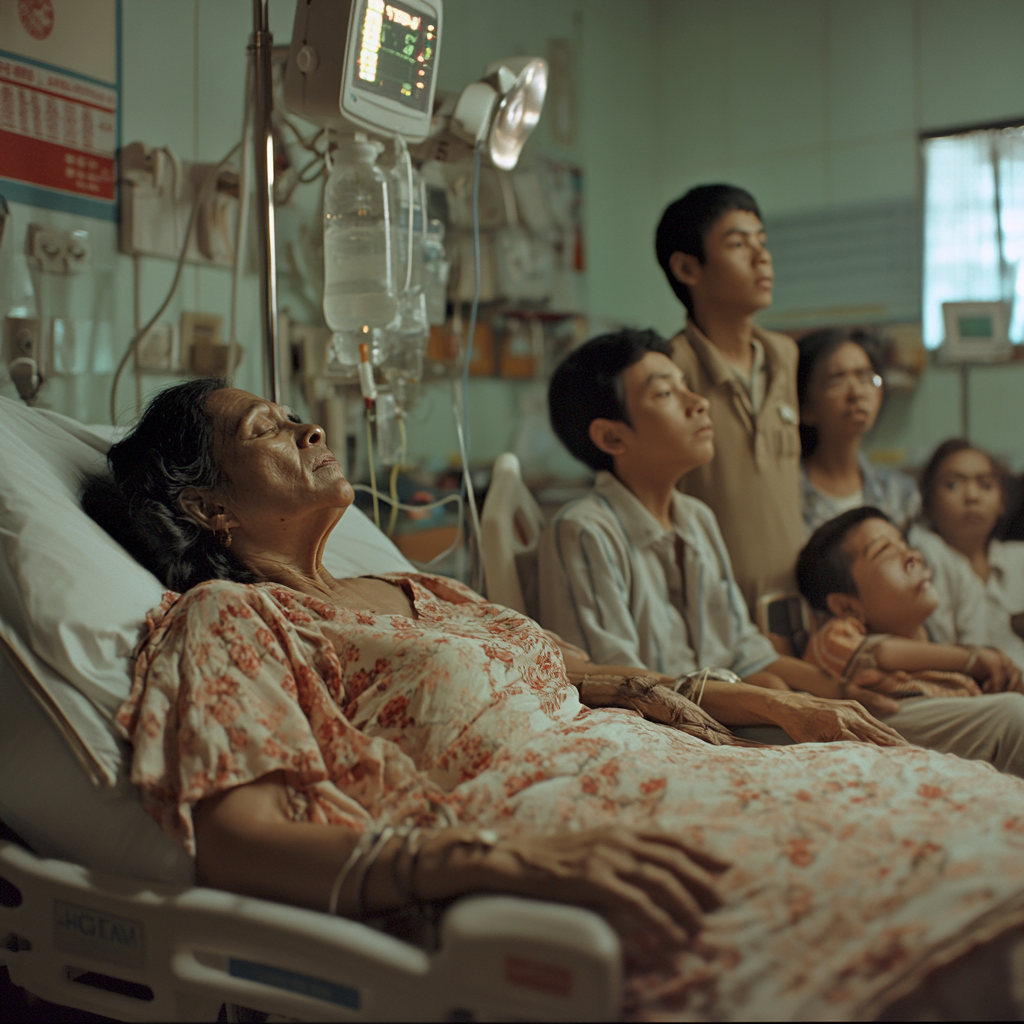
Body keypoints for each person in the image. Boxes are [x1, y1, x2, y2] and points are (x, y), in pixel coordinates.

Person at [83, 378, 1024, 1020]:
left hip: (687, 770)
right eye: (267, 430)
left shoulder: (428, 592)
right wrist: (506, 860)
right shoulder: (233, 619)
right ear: (207, 506)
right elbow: (243, 843)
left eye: (297, 416)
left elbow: (595, 674)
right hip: (564, 827)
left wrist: (778, 706)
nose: (310, 429)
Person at [538, 328, 905, 734]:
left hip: (724, 718)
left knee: (885, 719)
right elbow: (624, 685)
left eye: (686, 386)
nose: (698, 403)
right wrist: (774, 703)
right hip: (658, 735)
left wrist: (839, 689)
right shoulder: (584, 530)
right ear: (612, 436)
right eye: (665, 394)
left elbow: (745, 651)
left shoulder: (696, 519)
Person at [655, 184, 803, 613]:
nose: (762, 257)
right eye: (738, 244)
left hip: (791, 604)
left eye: (763, 242)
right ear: (687, 268)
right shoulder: (670, 368)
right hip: (712, 609)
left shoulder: (784, 356)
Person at [795, 506, 1024, 776]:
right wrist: (972, 659)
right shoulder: (837, 632)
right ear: (846, 606)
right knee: (1013, 716)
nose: (912, 555)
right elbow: (880, 652)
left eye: (904, 544)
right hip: (886, 725)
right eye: (884, 551)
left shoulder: (935, 647)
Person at [797, 326, 919, 534]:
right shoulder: (789, 495)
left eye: (866, 378)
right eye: (836, 380)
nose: (856, 393)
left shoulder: (898, 493)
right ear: (806, 407)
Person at [914, 438, 1024, 668]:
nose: (972, 496)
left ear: (1002, 500)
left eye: (985, 485)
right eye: (953, 485)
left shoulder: (1018, 558)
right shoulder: (925, 559)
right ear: (927, 501)